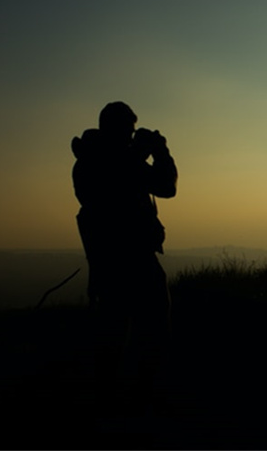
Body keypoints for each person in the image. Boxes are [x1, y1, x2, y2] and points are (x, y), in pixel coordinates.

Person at [71, 101, 178, 414]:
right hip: (122, 258)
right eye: (128, 131)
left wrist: (157, 152)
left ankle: (123, 396)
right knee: (133, 328)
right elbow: (114, 186)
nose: (131, 137)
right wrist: (153, 151)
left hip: (122, 258)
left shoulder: (111, 160)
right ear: (114, 129)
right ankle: (128, 399)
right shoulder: (94, 162)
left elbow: (163, 187)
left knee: (125, 327)